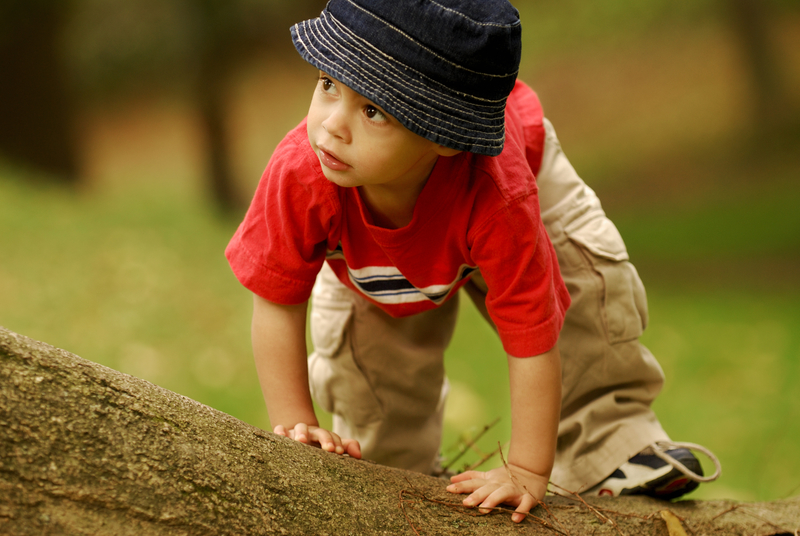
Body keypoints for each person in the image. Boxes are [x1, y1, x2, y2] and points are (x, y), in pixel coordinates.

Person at [226, 0, 720, 522]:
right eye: (328, 84)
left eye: (373, 110)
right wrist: (296, 425)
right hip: (364, 250)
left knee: (584, 292)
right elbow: (278, 300)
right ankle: (394, 466)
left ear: (441, 136)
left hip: (523, 192)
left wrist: (527, 471)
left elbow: (533, 328)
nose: (331, 126)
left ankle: (614, 445)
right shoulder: (305, 172)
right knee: (364, 347)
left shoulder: (500, 199)